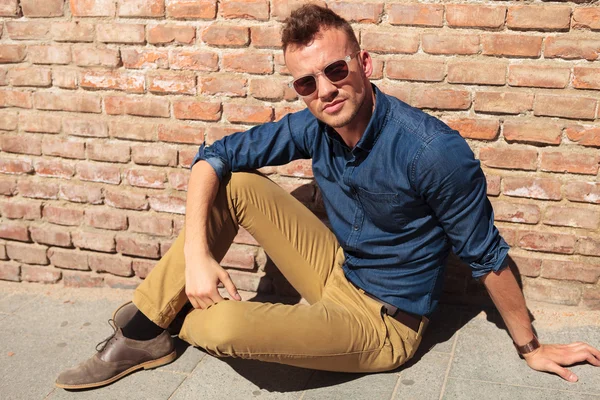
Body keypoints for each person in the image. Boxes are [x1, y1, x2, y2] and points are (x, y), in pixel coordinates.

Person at [56, 5, 600, 390]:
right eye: (306, 83)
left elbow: (486, 255)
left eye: (335, 70)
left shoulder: (431, 151)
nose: (324, 90)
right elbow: (212, 156)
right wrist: (197, 258)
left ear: (364, 65)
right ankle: (147, 328)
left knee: (220, 327)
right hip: (337, 270)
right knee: (238, 181)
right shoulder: (315, 123)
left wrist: (531, 349)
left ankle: (154, 319)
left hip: (385, 323)